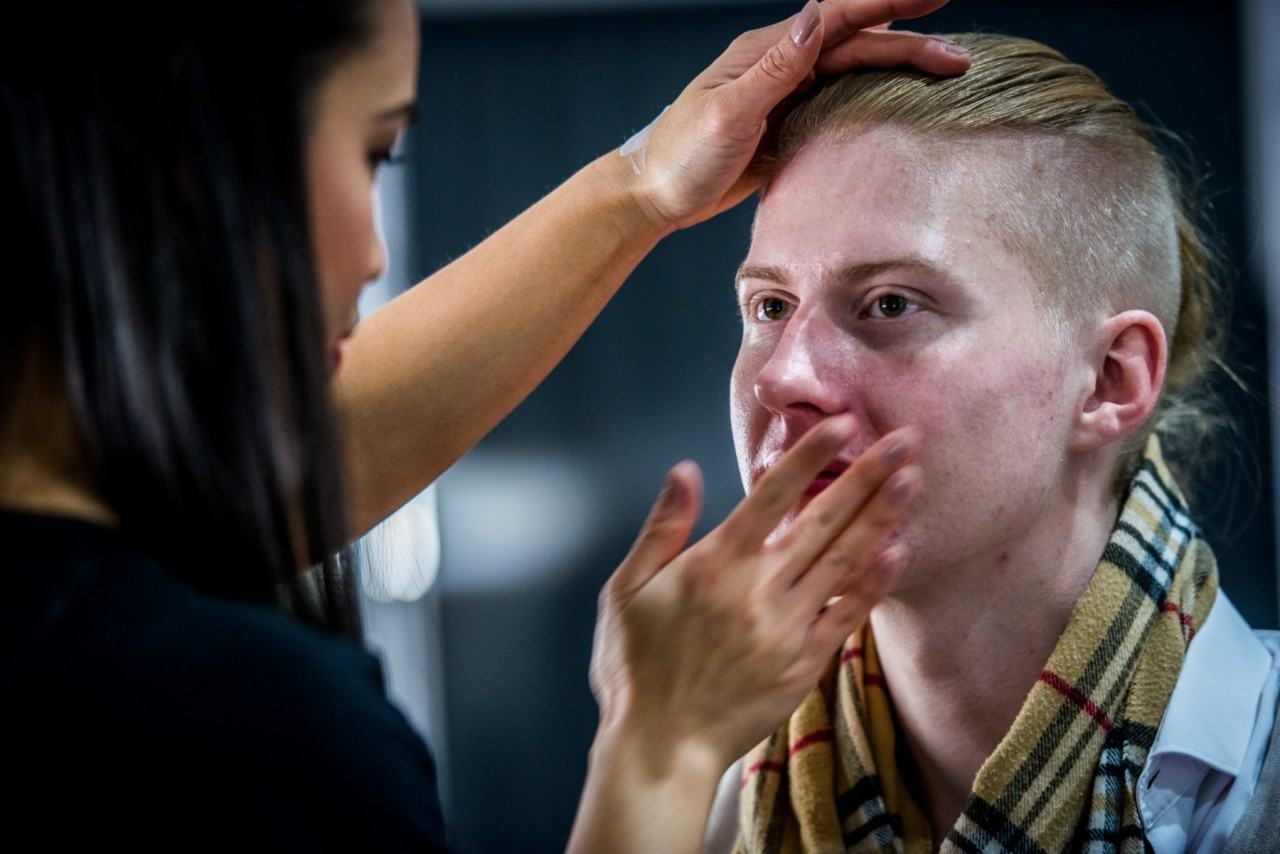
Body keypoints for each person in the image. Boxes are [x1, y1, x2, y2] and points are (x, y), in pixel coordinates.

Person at [0, 0, 970, 848]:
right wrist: (657, 753)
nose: (377, 254)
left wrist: (639, 187)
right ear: (192, 146)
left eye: (889, 305)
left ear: (1117, 378)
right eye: (375, 149)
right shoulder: (234, 736)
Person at [705, 32, 1280, 854]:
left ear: (1111, 380)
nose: (781, 377)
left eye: (892, 304)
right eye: (769, 307)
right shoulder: (712, 806)